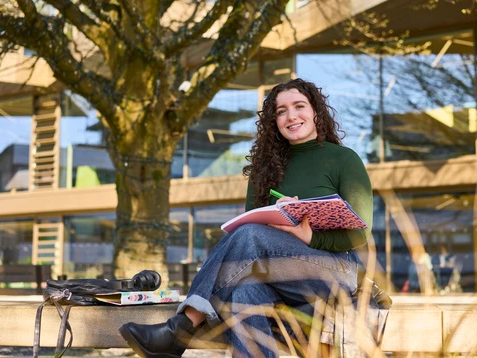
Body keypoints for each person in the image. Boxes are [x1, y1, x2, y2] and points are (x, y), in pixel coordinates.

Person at [119, 78, 374, 358]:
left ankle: (182, 328)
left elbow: (360, 233)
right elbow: (250, 234)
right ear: (273, 120)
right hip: (275, 273)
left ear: (316, 112)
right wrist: (281, 220)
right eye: (281, 111)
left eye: (299, 106)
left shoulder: (344, 160)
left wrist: (308, 234)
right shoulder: (264, 170)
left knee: (250, 236)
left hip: (334, 273)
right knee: (243, 292)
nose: (291, 116)